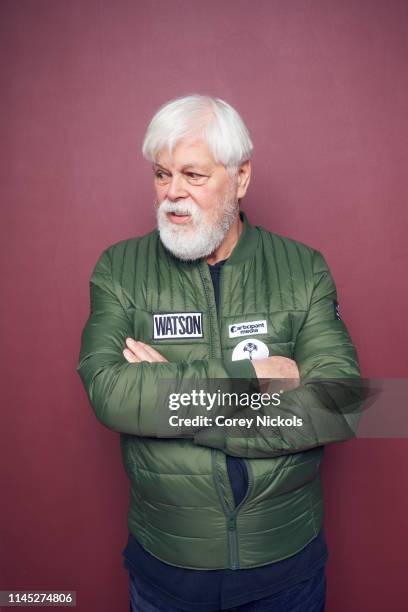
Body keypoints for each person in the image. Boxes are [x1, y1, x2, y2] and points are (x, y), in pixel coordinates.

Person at [77, 94, 361, 611]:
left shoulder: (304, 269)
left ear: (242, 177)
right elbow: (110, 391)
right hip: (166, 570)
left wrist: (174, 397)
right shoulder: (119, 269)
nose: (173, 195)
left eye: (193, 175)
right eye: (162, 175)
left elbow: (340, 404)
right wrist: (249, 376)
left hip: (285, 568)